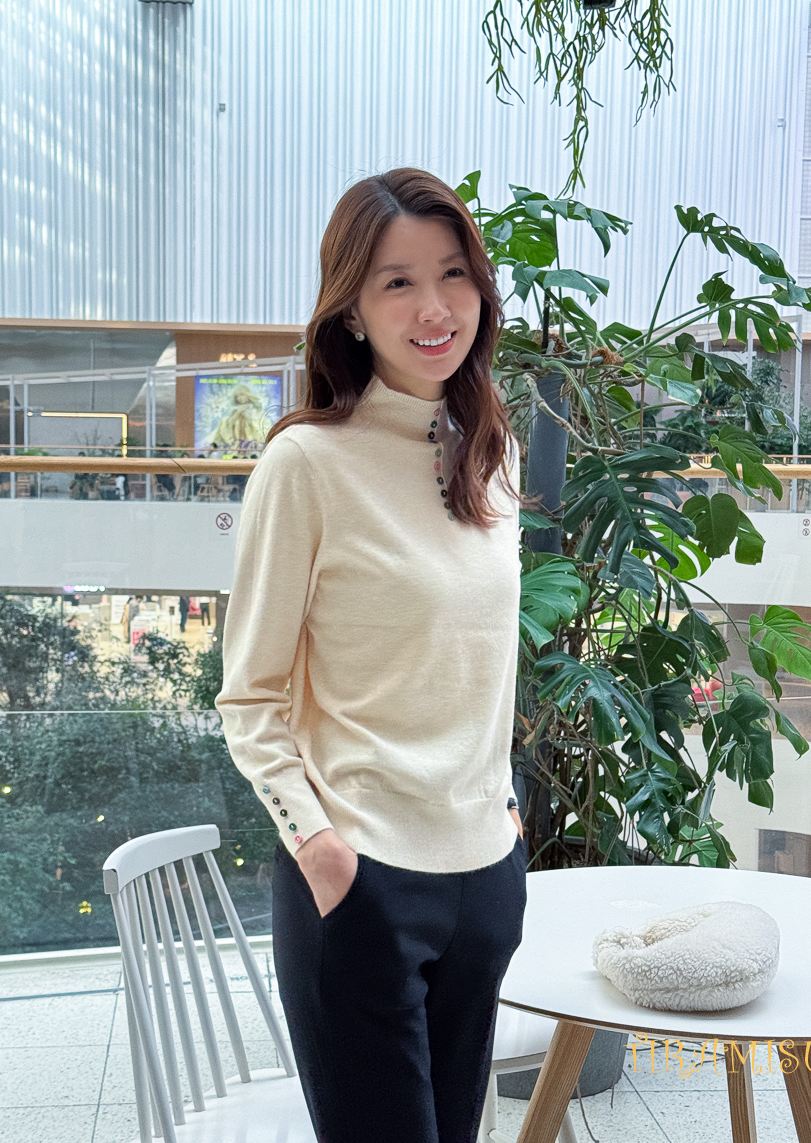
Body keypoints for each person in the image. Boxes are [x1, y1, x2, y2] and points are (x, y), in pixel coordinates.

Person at [216, 168, 528, 1143]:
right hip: (361, 876)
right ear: (350, 309)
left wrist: (505, 813)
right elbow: (249, 698)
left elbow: (480, 659)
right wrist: (319, 848)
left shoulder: (491, 453)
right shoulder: (306, 464)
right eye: (398, 282)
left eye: (453, 273)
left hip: (483, 871)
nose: (435, 308)